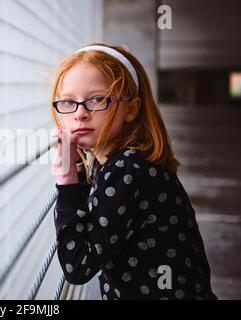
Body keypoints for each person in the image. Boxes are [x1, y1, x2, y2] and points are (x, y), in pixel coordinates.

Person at [50, 43, 218, 300]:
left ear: (131, 108)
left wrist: (67, 182)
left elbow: (78, 265)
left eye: (96, 100)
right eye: (69, 102)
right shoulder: (123, 163)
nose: (80, 113)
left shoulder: (126, 169)